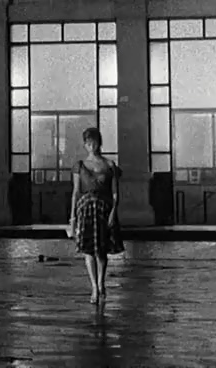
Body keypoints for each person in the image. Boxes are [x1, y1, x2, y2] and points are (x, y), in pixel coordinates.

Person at [66, 127, 123, 303]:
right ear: (85, 145)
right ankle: (93, 287)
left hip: (104, 210)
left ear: (100, 143)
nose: (91, 145)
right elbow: (75, 192)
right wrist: (72, 218)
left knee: (102, 250)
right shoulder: (80, 166)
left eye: (94, 142)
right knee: (88, 250)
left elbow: (115, 193)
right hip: (85, 211)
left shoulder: (109, 165)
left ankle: (101, 283)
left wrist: (114, 212)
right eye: (88, 143)